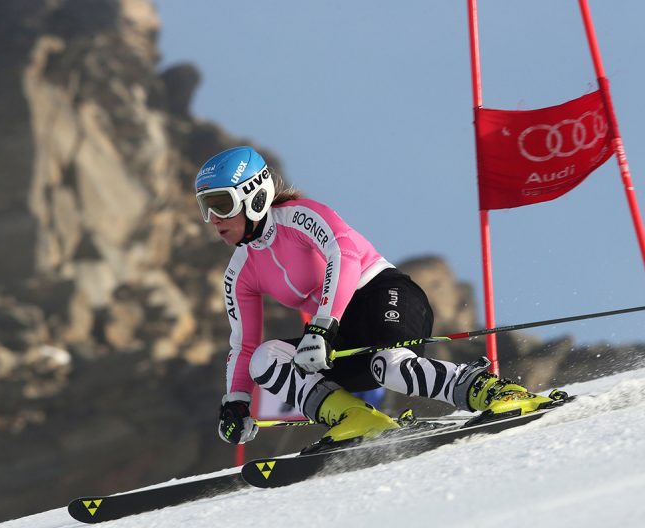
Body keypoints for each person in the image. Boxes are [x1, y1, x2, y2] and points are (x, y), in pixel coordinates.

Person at [196, 146, 555, 451]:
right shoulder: (240, 271)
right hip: (340, 333)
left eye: (221, 205)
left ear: (254, 196)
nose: (213, 219)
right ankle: (355, 418)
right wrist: (237, 402)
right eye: (205, 208)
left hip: (384, 295)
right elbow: (243, 345)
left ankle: (494, 393)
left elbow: (345, 255)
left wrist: (322, 327)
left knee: (393, 367)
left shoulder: (299, 216)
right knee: (264, 359)